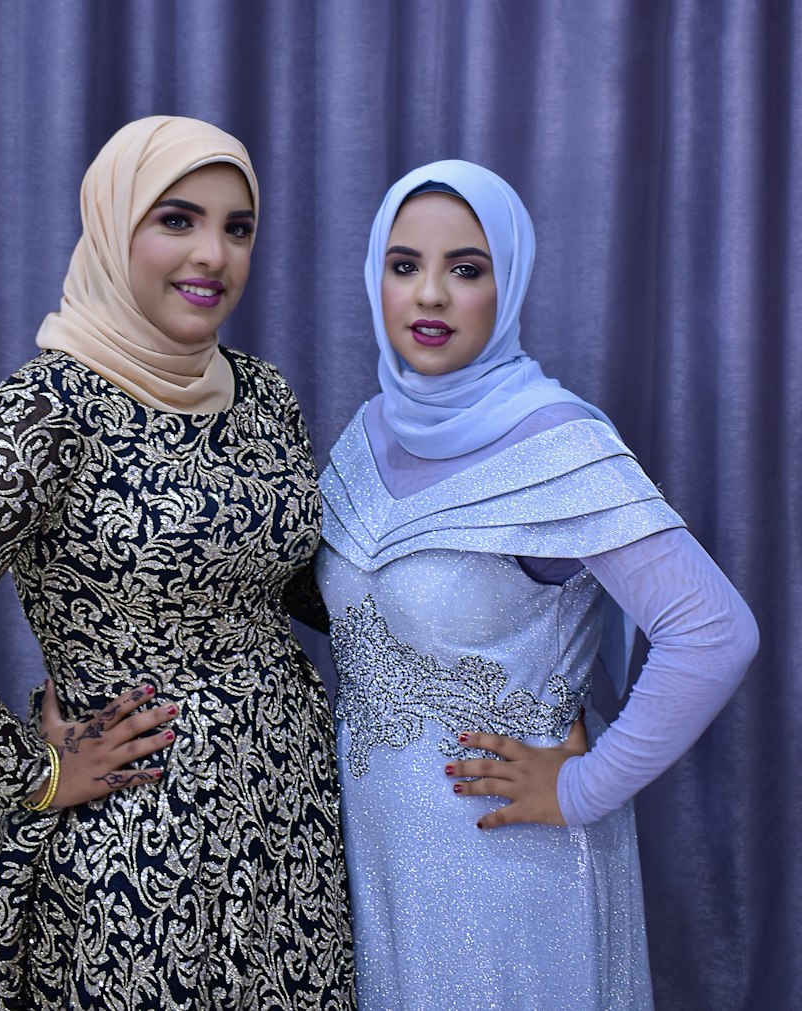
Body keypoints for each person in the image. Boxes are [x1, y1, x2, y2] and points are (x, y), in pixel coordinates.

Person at [0, 116, 355, 1011]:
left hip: (290, 813)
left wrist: (488, 628)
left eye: (238, 227)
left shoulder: (262, 392)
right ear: (115, 227)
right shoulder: (51, 408)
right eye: (178, 219)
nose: (214, 255)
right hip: (144, 836)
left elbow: (309, 584)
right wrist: (29, 770)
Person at [315, 160, 758, 1009]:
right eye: (404, 265)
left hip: (510, 868)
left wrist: (582, 786)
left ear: (507, 281)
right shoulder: (370, 431)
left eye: (466, 269)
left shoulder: (557, 444)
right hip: (380, 857)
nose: (431, 295)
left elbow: (713, 630)